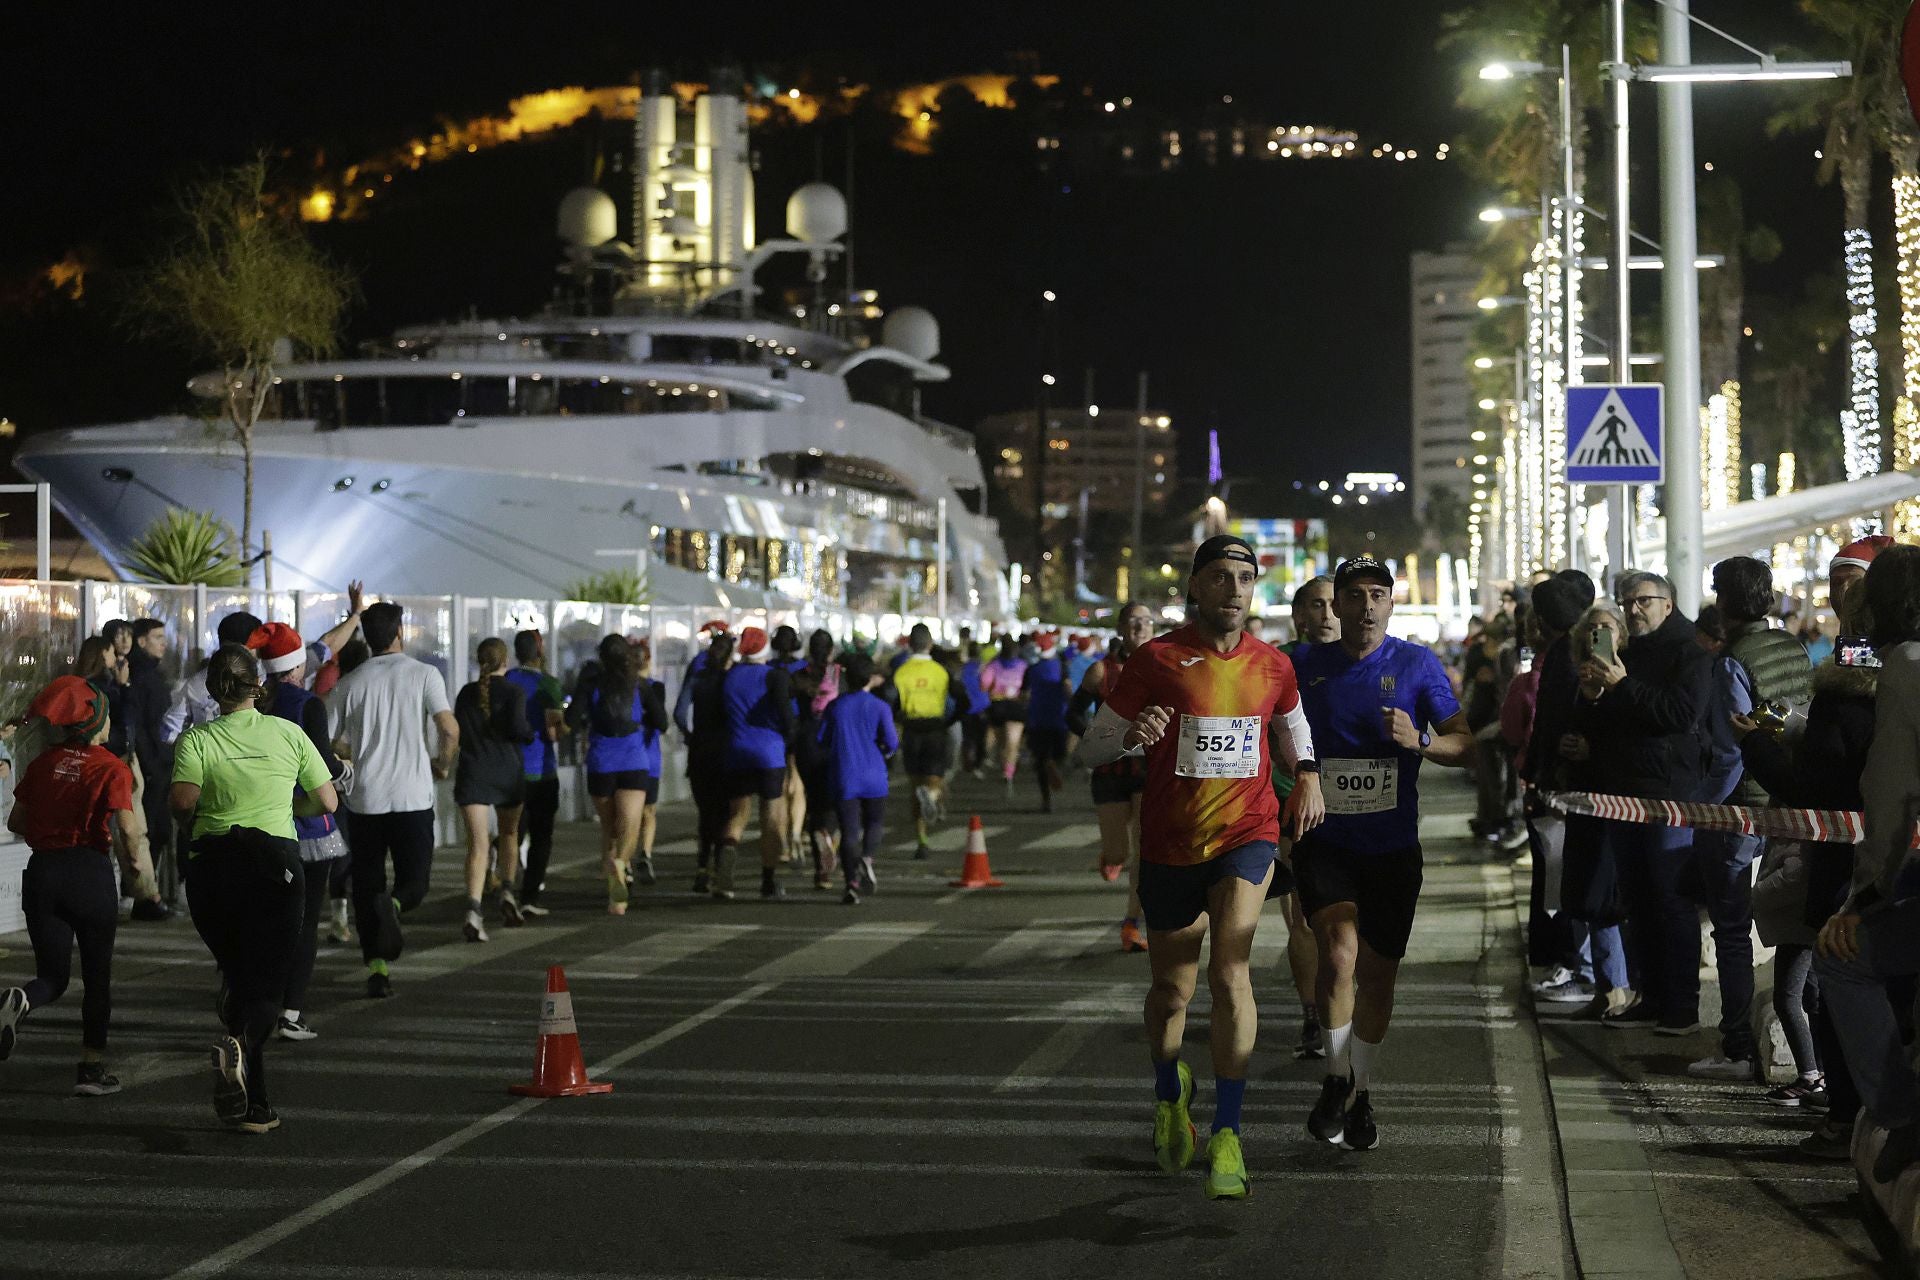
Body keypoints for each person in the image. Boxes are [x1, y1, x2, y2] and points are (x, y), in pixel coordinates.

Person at [1078, 534, 1324, 1201]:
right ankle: (1169, 1093)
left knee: (1231, 970)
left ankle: (1228, 1131)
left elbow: (1295, 727)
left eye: (1245, 577)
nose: (1235, 589)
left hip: (1246, 834)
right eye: (1220, 577)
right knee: (1172, 996)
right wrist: (1130, 736)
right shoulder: (1156, 660)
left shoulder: (1273, 665)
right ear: (1195, 586)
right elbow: (1089, 749)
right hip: (1170, 845)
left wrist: (1307, 776)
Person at [1293, 556, 1472, 1152]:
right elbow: (1263, 726)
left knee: (1378, 974)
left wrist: (1420, 740)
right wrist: (1298, 775)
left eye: (1378, 594)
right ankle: (1334, 1075)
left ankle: (1360, 1088)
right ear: (1335, 605)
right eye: (1354, 595)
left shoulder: (1416, 663)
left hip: (1393, 847)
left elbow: (1463, 743)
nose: (1366, 605)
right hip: (1326, 839)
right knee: (1338, 954)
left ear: (1391, 604)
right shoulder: (1302, 666)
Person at [1744, 568, 1885, 1155]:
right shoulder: (1889, 684)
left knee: (1841, 980)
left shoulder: (1846, 696)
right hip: (1884, 859)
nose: (1840, 597)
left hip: (1852, 868)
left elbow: (1815, 789)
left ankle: (1848, 1111)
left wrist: (1756, 742)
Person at [170, 645, 338, 1133]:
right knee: (268, 987)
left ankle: (257, 1106)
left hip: (213, 869)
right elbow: (325, 800)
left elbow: (183, 801)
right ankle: (240, 1044)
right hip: (274, 869)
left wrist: (195, 821)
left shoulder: (197, 740)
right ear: (257, 685)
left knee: (240, 977)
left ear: (213, 690)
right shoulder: (288, 733)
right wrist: (290, 812)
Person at [1813, 544, 1920, 1182]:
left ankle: (1902, 1114)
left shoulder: (1904, 669)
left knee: (1840, 958)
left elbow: (1891, 796)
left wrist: (1863, 900)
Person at [1685, 556, 1810, 1081]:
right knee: (1798, 924)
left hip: (1740, 807)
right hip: (1790, 800)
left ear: (1725, 601)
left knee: (1732, 930)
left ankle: (1736, 1045)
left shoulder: (1731, 660)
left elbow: (1733, 746)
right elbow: (1792, 713)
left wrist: (1703, 809)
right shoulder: (1793, 647)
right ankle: (1805, 1048)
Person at [0, 677, 138, 1095]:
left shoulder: (42, 763)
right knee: (97, 979)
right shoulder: (112, 767)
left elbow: (16, 823)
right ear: (98, 722)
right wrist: (138, 872)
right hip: (89, 873)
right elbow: (130, 832)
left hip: (43, 873)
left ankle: (22, 1000)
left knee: (52, 977)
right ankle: (91, 1071)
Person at [327, 602, 457, 999]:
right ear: (399, 631)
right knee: (414, 884)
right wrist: (442, 764)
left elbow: (327, 742)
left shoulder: (350, 683)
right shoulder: (424, 675)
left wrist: (346, 764)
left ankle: (377, 969)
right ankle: (395, 907)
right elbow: (449, 729)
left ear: (366, 637)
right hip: (413, 797)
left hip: (365, 800)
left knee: (366, 885)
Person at [247, 624, 348, 1042]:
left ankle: (256, 1005)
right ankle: (291, 1012)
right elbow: (323, 765)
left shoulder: (254, 704)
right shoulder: (308, 705)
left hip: (259, 822)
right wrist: (345, 772)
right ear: (299, 665)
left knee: (265, 921)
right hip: (307, 825)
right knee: (304, 924)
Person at [1550, 603, 1638, 1019]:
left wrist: (1593, 749)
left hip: (1617, 801)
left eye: (1608, 629)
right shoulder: (1580, 678)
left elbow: (1629, 740)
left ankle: (1617, 988)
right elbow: (1571, 727)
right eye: (1593, 630)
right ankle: (1607, 988)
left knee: (1604, 899)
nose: (1600, 635)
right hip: (1584, 799)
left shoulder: (1628, 679)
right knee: (1584, 893)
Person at [1068, 602, 1157, 954]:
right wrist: (1098, 737)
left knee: (1143, 850)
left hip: (1147, 770)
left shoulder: (1165, 666)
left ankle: (1131, 923)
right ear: (1121, 628)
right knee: (1119, 852)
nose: (1140, 628)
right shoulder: (1100, 672)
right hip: (1110, 771)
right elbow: (1072, 714)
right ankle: (1108, 857)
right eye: (1133, 622)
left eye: (1146, 622)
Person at [1277, 575, 1339, 1057]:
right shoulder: (1278, 664)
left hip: (1356, 808)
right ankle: (1313, 1015)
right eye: (1315, 605)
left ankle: (1342, 1001)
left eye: (1333, 605)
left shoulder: (1374, 660)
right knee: (1302, 916)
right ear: (1299, 615)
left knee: (1347, 919)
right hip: (1292, 803)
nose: (1326, 614)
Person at [577, 634, 668, 915]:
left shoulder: (591, 686)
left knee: (609, 828)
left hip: (601, 761)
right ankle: (622, 865)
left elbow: (573, 719)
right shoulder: (640, 686)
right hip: (633, 760)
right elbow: (662, 722)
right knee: (630, 824)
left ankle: (614, 881)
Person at [452, 638, 534, 939]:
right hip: (507, 773)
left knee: (478, 845)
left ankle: (473, 911)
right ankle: (508, 893)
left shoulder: (466, 694)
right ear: (505, 661)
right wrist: (530, 733)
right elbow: (517, 728)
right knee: (509, 834)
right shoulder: (514, 692)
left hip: (474, 773)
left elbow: (457, 731)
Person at [719, 627, 797, 899]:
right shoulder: (773, 677)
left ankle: (728, 850)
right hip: (769, 753)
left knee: (738, 814)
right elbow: (787, 718)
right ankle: (768, 879)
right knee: (771, 817)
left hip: (736, 751)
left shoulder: (730, 678)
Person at [820, 653, 897, 905]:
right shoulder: (880, 706)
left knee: (849, 830)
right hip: (874, 774)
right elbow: (892, 742)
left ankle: (851, 884)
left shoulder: (836, 706)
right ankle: (867, 857)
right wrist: (884, 752)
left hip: (845, 774)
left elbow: (823, 738)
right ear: (869, 678)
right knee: (874, 822)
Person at [503, 630, 566, 919]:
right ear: (539, 651)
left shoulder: (504, 681)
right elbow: (556, 730)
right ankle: (529, 897)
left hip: (509, 769)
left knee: (511, 833)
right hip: (541, 771)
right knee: (541, 836)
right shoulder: (548, 684)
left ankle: (504, 886)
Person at [893, 623, 957, 859]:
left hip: (911, 730)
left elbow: (894, 703)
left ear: (910, 645)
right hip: (934, 729)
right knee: (935, 781)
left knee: (915, 785)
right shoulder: (940, 672)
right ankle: (931, 798)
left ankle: (922, 840)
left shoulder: (901, 672)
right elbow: (952, 703)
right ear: (930, 644)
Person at [791, 629, 843, 891]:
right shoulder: (840, 675)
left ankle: (820, 873)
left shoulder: (799, 676)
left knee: (813, 802)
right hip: (833, 740)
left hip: (806, 742)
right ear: (831, 650)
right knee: (834, 801)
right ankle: (829, 840)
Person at [686, 633, 737, 897]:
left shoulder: (697, 680)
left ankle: (702, 868)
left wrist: (690, 736)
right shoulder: (731, 681)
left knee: (705, 813)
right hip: (727, 751)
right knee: (725, 811)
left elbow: (679, 713)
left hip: (700, 751)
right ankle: (719, 868)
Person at [1024, 633, 1071, 813]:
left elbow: (1025, 694)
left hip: (1037, 719)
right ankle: (1053, 764)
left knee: (1040, 760)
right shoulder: (1062, 667)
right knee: (1060, 754)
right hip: (1058, 717)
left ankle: (1046, 800)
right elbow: (1067, 689)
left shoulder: (1032, 669)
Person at [980, 639, 1029, 793]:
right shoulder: (1023, 665)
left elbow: (983, 684)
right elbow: (1028, 686)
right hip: (1016, 706)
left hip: (998, 707)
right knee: (1013, 743)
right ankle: (1009, 772)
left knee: (1003, 743)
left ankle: (1005, 767)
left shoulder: (993, 665)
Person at [958, 641, 991, 779]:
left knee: (967, 737)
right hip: (982, 707)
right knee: (980, 739)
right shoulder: (984, 668)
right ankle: (977, 764)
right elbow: (988, 685)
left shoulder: (961, 669)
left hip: (966, 707)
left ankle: (967, 762)